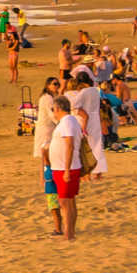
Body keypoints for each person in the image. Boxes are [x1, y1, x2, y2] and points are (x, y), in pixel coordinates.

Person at [48, 95, 82, 241]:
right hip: (63, 167)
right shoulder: (69, 121)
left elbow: (69, 144)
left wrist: (67, 170)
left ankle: (69, 234)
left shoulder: (67, 121)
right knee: (69, 201)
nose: (53, 112)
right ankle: (71, 232)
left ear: (58, 108)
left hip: (65, 167)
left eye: (53, 109)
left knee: (65, 202)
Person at [34, 77, 63, 236]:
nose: (56, 86)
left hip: (50, 128)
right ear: (47, 85)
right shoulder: (46, 98)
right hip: (47, 129)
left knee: (47, 155)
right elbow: (52, 115)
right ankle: (44, 177)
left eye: (57, 84)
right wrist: (63, 120)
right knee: (45, 154)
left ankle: (46, 176)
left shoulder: (52, 98)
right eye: (54, 84)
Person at [68, 67, 107, 180]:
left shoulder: (84, 92)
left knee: (86, 146)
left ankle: (88, 172)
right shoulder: (95, 90)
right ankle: (98, 172)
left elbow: (73, 104)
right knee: (97, 145)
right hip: (95, 119)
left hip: (87, 120)